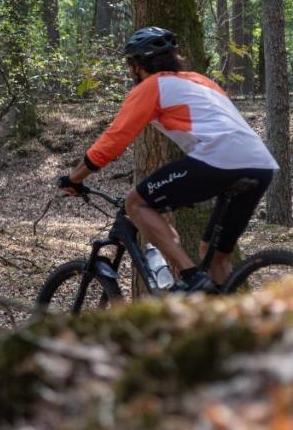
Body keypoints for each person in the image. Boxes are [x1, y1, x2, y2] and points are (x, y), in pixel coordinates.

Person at [57, 26, 278, 293]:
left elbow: (114, 140)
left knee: (135, 202)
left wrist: (75, 178)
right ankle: (230, 322)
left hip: (219, 158)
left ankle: (189, 275)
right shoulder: (201, 81)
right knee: (214, 252)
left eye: (131, 65)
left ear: (136, 65)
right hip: (260, 164)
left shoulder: (152, 86)